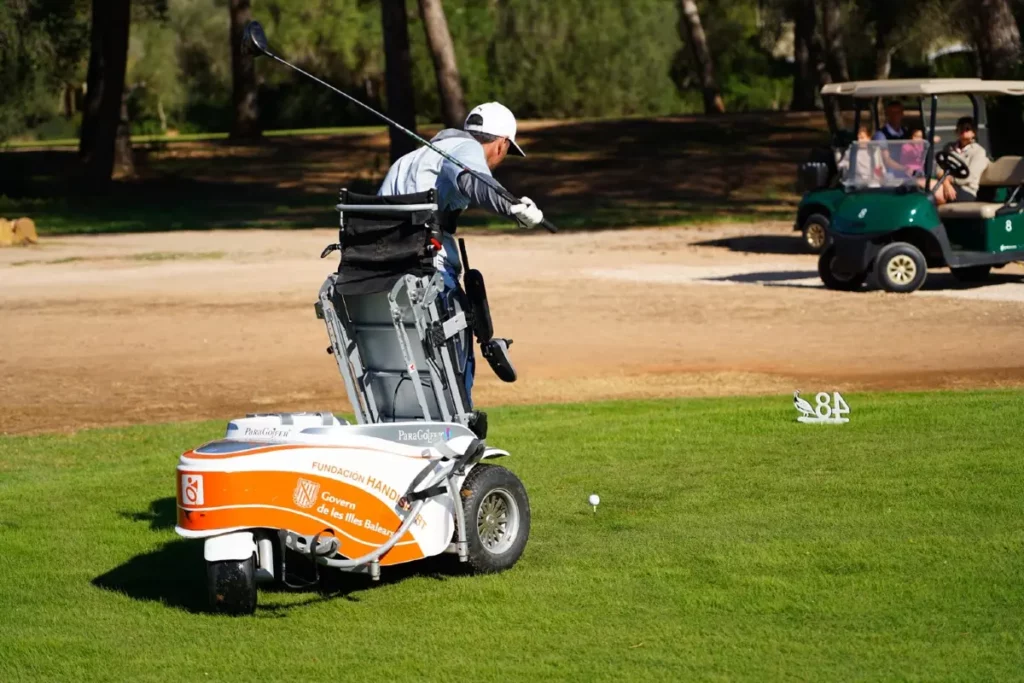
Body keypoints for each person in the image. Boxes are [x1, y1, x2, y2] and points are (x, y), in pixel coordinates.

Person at [377, 102, 544, 407]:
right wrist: (513, 206)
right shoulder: (466, 149)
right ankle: (459, 418)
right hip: (423, 270)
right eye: (506, 151)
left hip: (373, 271)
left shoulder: (416, 156)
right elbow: (474, 181)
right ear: (501, 144)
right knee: (459, 326)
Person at [932, 116, 990, 205]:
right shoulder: (949, 147)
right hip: (946, 185)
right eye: (961, 128)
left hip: (966, 191)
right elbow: (939, 169)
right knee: (922, 185)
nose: (963, 131)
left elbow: (968, 177)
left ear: (973, 133)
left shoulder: (979, 152)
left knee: (932, 189)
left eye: (967, 129)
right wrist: (946, 183)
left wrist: (947, 180)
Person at [872, 100, 912, 177]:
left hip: (907, 173)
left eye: (898, 112)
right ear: (887, 114)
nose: (895, 115)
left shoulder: (905, 132)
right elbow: (886, 160)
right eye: (892, 113)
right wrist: (904, 168)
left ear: (902, 114)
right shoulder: (881, 135)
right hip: (889, 175)